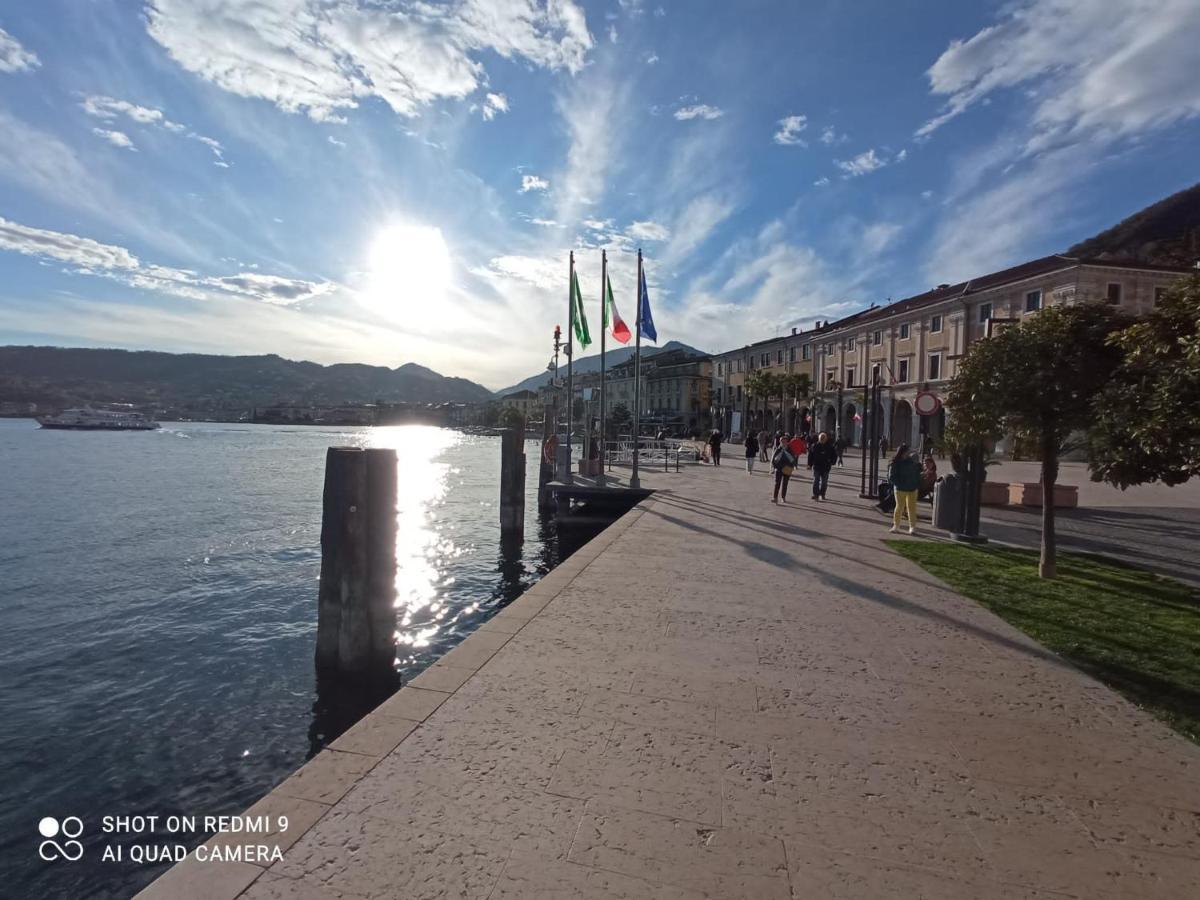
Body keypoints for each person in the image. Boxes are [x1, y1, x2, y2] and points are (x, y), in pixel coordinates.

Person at [888, 443, 922, 534]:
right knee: (899, 507)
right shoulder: (895, 462)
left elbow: (917, 473)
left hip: (912, 488)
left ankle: (912, 527)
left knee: (912, 508)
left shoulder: (911, 461)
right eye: (908, 451)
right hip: (900, 489)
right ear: (903, 452)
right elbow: (891, 476)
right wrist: (900, 484)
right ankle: (896, 525)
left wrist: (917, 482)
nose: (909, 453)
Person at [808, 431, 837, 501]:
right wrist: (809, 464)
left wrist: (832, 462)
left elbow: (834, 455)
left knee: (824, 482)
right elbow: (810, 456)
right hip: (817, 466)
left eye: (824, 438)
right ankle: (816, 494)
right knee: (816, 481)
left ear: (826, 439)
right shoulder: (814, 446)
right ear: (819, 438)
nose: (822, 439)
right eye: (821, 438)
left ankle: (822, 494)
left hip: (826, 467)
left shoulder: (830, 446)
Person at [771, 434, 797, 503]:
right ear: (780, 442)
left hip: (787, 468)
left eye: (785, 441)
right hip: (779, 468)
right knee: (777, 483)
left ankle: (783, 497)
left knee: (785, 484)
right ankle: (775, 497)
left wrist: (792, 466)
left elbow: (793, 459)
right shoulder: (778, 449)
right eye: (782, 441)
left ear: (787, 442)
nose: (784, 443)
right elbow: (773, 459)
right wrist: (774, 467)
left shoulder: (790, 450)